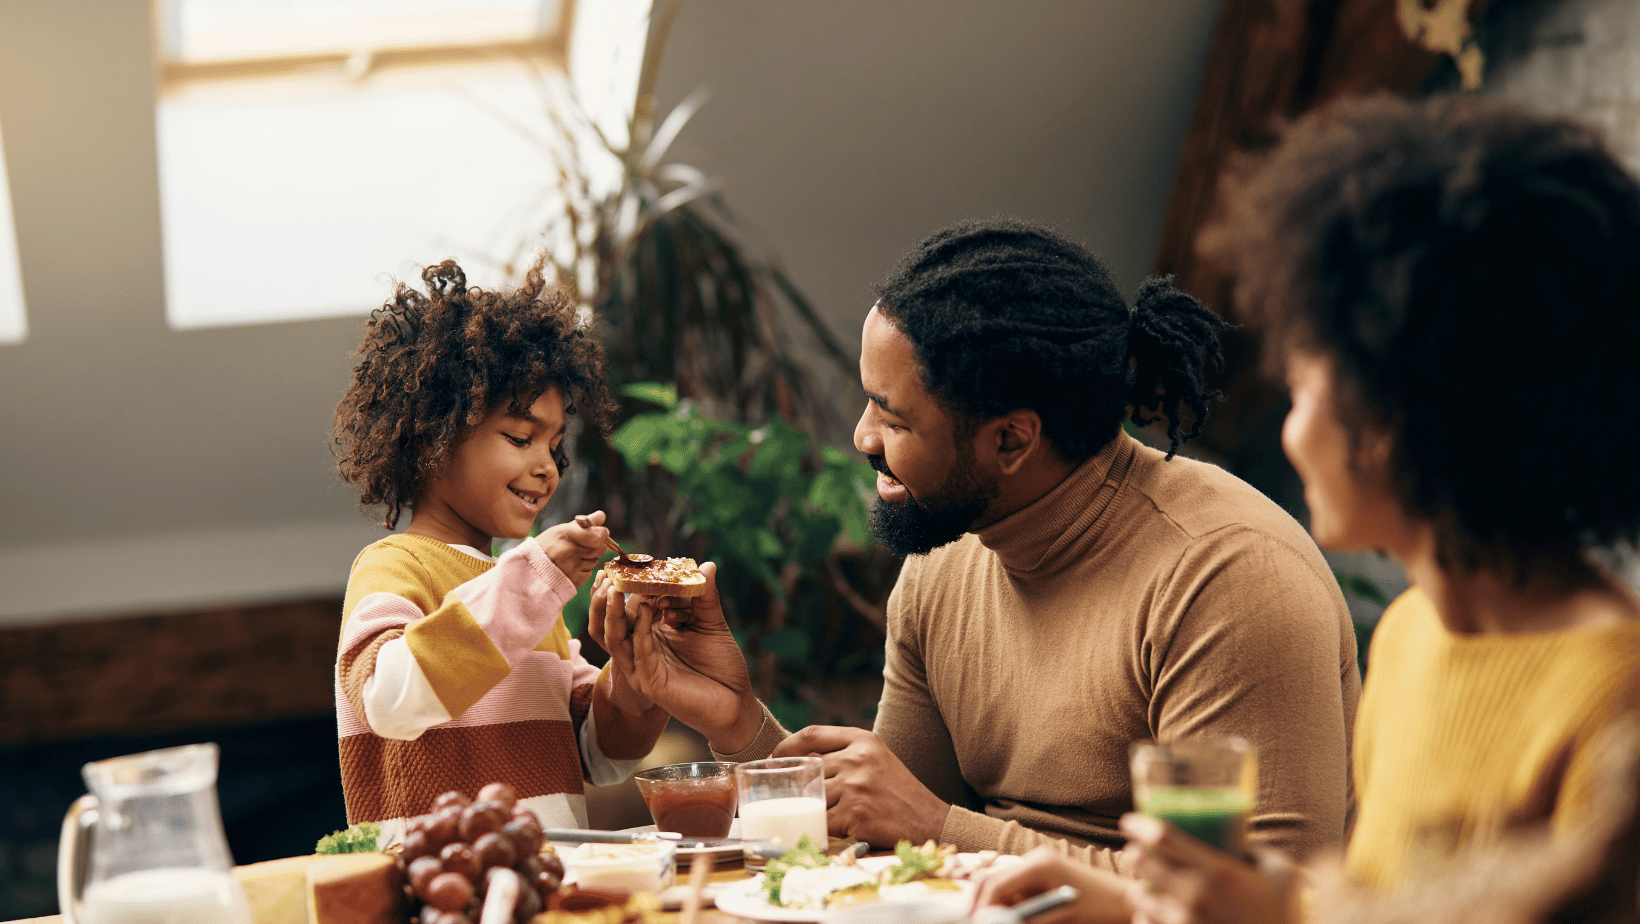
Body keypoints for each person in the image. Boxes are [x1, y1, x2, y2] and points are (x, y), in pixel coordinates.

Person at [975, 93, 1640, 923]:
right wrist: (1130, 902)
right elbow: (1374, 902)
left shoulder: (1618, 698)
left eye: (1302, 391)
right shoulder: (1413, 636)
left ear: (1395, 419)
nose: (1291, 435)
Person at [603, 216, 1362, 915]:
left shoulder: (1226, 579)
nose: (862, 436)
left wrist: (943, 827)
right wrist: (735, 720)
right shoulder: (949, 555)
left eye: (893, 417)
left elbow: (1253, 903)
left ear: (1011, 442)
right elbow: (878, 827)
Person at [329, 259, 672, 838]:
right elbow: (386, 698)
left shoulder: (524, 591)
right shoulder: (395, 566)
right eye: (520, 437)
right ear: (433, 436)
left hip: (547, 892)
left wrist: (636, 673)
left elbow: (599, 757)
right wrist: (533, 577)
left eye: (556, 445)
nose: (546, 467)